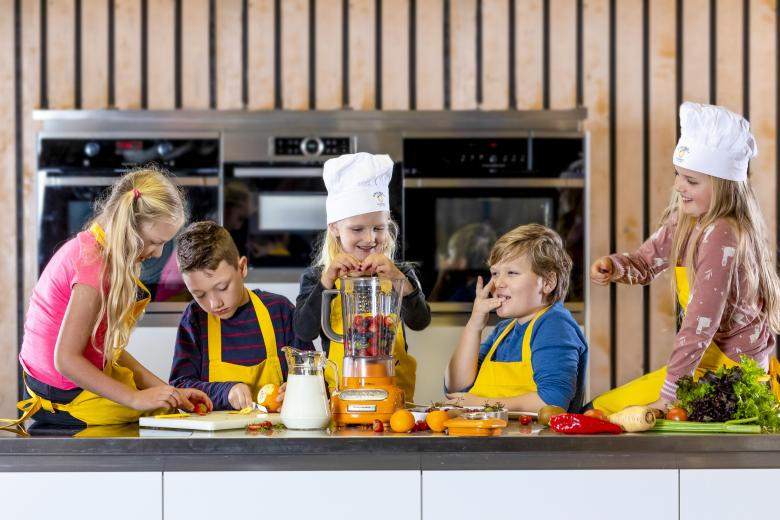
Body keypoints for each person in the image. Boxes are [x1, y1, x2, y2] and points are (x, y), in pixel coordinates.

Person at [590, 101, 780, 415]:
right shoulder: (687, 221)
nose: (679, 186)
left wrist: (670, 396)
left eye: (692, 181)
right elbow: (646, 260)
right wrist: (616, 266)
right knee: (600, 409)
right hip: (703, 367)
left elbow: (699, 325)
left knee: (604, 411)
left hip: (729, 378)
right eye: (678, 175)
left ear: (724, 188)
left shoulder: (723, 234)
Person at [2, 168, 211, 430]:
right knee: (156, 411)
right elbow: (66, 360)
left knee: (162, 402)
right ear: (128, 227)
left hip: (63, 384)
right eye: (154, 242)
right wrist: (136, 397)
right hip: (58, 395)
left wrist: (169, 391)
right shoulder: (93, 269)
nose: (158, 254)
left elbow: (108, 350)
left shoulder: (96, 249)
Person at [294, 153, 431, 401]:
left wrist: (399, 280)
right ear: (335, 227)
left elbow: (420, 321)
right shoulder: (318, 276)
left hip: (395, 394)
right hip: (340, 394)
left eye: (379, 228)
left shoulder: (399, 272)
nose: (370, 239)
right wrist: (327, 281)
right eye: (357, 229)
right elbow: (304, 331)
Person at [169, 221, 313, 410]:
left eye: (222, 288)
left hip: (276, 436)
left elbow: (314, 376)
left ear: (242, 267)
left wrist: (299, 391)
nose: (214, 303)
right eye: (199, 295)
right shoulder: (195, 318)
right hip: (214, 439)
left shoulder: (279, 311)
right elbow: (180, 388)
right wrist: (225, 392)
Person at [444, 224, 588, 412]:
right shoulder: (504, 330)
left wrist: (481, 404)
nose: (498, 283)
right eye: (495, 273)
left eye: (512, 273)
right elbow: (457, 386)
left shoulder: (554, 324)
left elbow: (552, 402)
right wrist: (474, 325)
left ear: (548, 282)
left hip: (538, 440)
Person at [429, 222, 497, 302]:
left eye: (451, 255)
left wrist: (441, 277)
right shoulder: (491, 284)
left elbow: (431, 310)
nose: (447, 261)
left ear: (462, 260)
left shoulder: (465, 293)